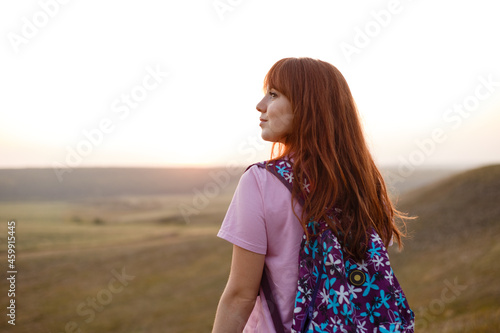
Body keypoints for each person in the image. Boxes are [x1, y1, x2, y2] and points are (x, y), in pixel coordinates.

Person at [212, 57, 411, 332]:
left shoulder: (260, 181)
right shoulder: (364, 183)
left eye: (273, 94)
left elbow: (240, 296)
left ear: (307, 107)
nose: (260, 106)